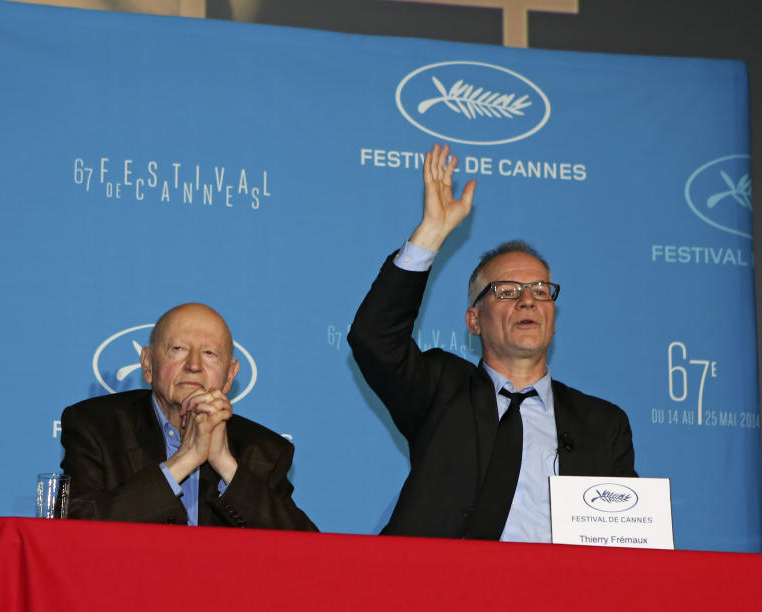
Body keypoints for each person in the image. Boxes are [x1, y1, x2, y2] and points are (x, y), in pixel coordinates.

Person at [348, 143, 635, 542]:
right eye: (506, 290)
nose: (528, 299)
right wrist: (431, 232)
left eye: (540, 289)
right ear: (473, 320)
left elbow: (630, 543)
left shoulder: (603, 425)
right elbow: (373, 337)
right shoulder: (440, 391)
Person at [60, 303, 317, 531]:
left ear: (230, 375)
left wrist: (226, 465)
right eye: (178, 348)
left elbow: (307, 551)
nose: (194, 365)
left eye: (209, 354)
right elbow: (72, 529)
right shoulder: (95, 427)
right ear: (148, 364)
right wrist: (184, 460)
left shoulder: (264, 451)